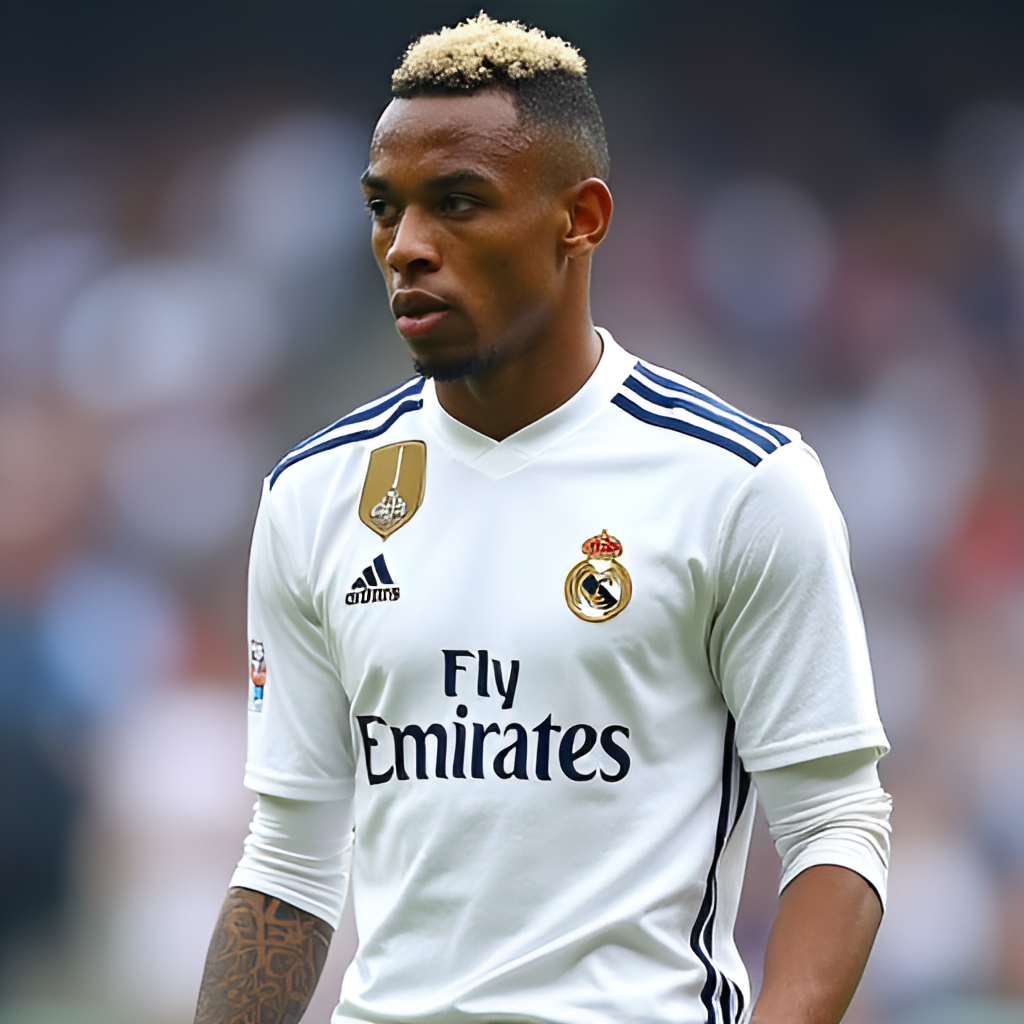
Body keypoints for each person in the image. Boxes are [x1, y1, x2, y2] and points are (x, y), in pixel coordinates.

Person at [194, 13, 891, 1024]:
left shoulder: (740, 481)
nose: (408, 247)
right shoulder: (311, 492)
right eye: (385, 208)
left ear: (582, 217)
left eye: (459, 203)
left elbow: (834, 825)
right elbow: (289, 861)